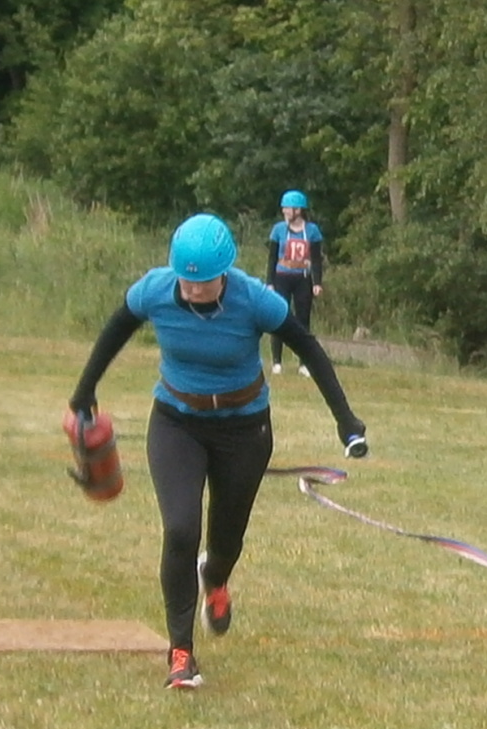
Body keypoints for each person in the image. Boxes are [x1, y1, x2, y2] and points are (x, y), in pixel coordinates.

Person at [68, 213, 367, 690]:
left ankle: (217, 578)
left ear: (224, 273)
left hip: (244, 430)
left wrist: (345, 421)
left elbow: (309, 348)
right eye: (185, 280)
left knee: (226, 538)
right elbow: (115, 331)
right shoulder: (155, 290)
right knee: (181, 529)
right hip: (176, 423)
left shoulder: (255, 300)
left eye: (202, 282)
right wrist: (84, 392)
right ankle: (181, 652)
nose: (191, 289)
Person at [267, 190, 324, 377]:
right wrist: (270, 282)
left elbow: (316, 259)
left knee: (303, 320)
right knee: (278, 317)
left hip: (303, 278)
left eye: (287, 208)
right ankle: (277, 362)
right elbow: (272, 258)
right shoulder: (278, 230)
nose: (284, 212)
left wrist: (317, 282)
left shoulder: (312, 231)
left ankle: (304, 363)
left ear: (298, 210)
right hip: (282, 277)